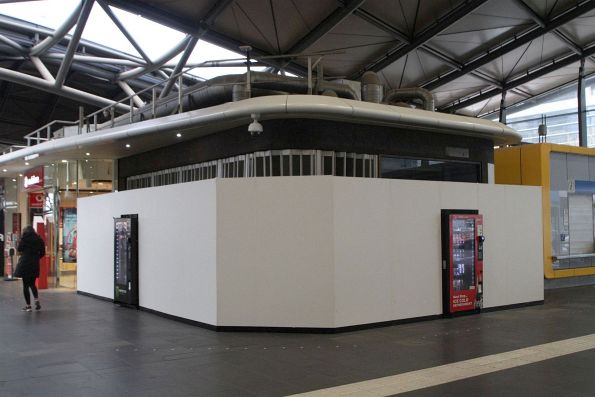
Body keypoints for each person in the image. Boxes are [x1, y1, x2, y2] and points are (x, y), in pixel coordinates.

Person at [16, 226, 46, 312]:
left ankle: (28, 306)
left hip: (25, 264)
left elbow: (19, 249)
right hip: (34, 264)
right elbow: (43, 253)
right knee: (32, 284)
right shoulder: (39, 239)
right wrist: (36, 258)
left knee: (25, 285)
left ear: (25, 231)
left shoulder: (24, 239)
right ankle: (36, 300)